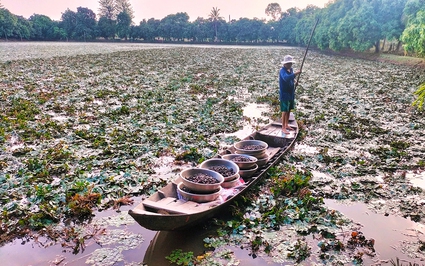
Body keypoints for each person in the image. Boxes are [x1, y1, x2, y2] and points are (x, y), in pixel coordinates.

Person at [279, 55, 301, 134]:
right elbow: (286, 78)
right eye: (288, 63)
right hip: (284, 93)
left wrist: (295, 81)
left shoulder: (291, 70)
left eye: (291, 63)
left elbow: (291, 77)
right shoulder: (282, 71)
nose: (290, 65)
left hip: (291, 92)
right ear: (285, 64)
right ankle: (283, 127)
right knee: (284, 110)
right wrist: (296, 74)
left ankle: (287, 124)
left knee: (289, 109)